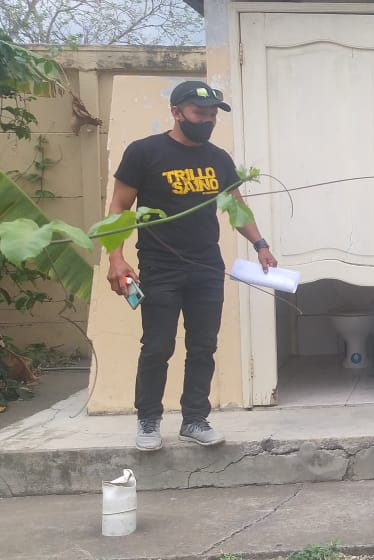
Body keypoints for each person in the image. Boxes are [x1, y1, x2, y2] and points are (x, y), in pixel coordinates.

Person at [107, 80, 278, 451]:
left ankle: (195, 419)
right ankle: (149, 419)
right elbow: (119, 207)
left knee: (203, 346)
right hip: (159, 267)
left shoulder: (218, 159)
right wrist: (116, 257)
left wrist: (260, 244)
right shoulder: (144, 152)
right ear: (176, 112)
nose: (207, 120)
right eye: (200, 113)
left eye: (212, 115)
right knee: (157, 346)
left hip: (206, 268)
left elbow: (237, 206)